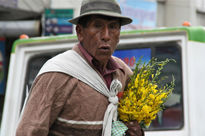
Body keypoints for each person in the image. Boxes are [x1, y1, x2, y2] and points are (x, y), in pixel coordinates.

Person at [16, 0, 144, 136]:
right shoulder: (57, 74)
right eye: (97, 26)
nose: (106, 36)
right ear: (80, 32)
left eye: (113, 27)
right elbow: (29, 131)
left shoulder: (123, 73)